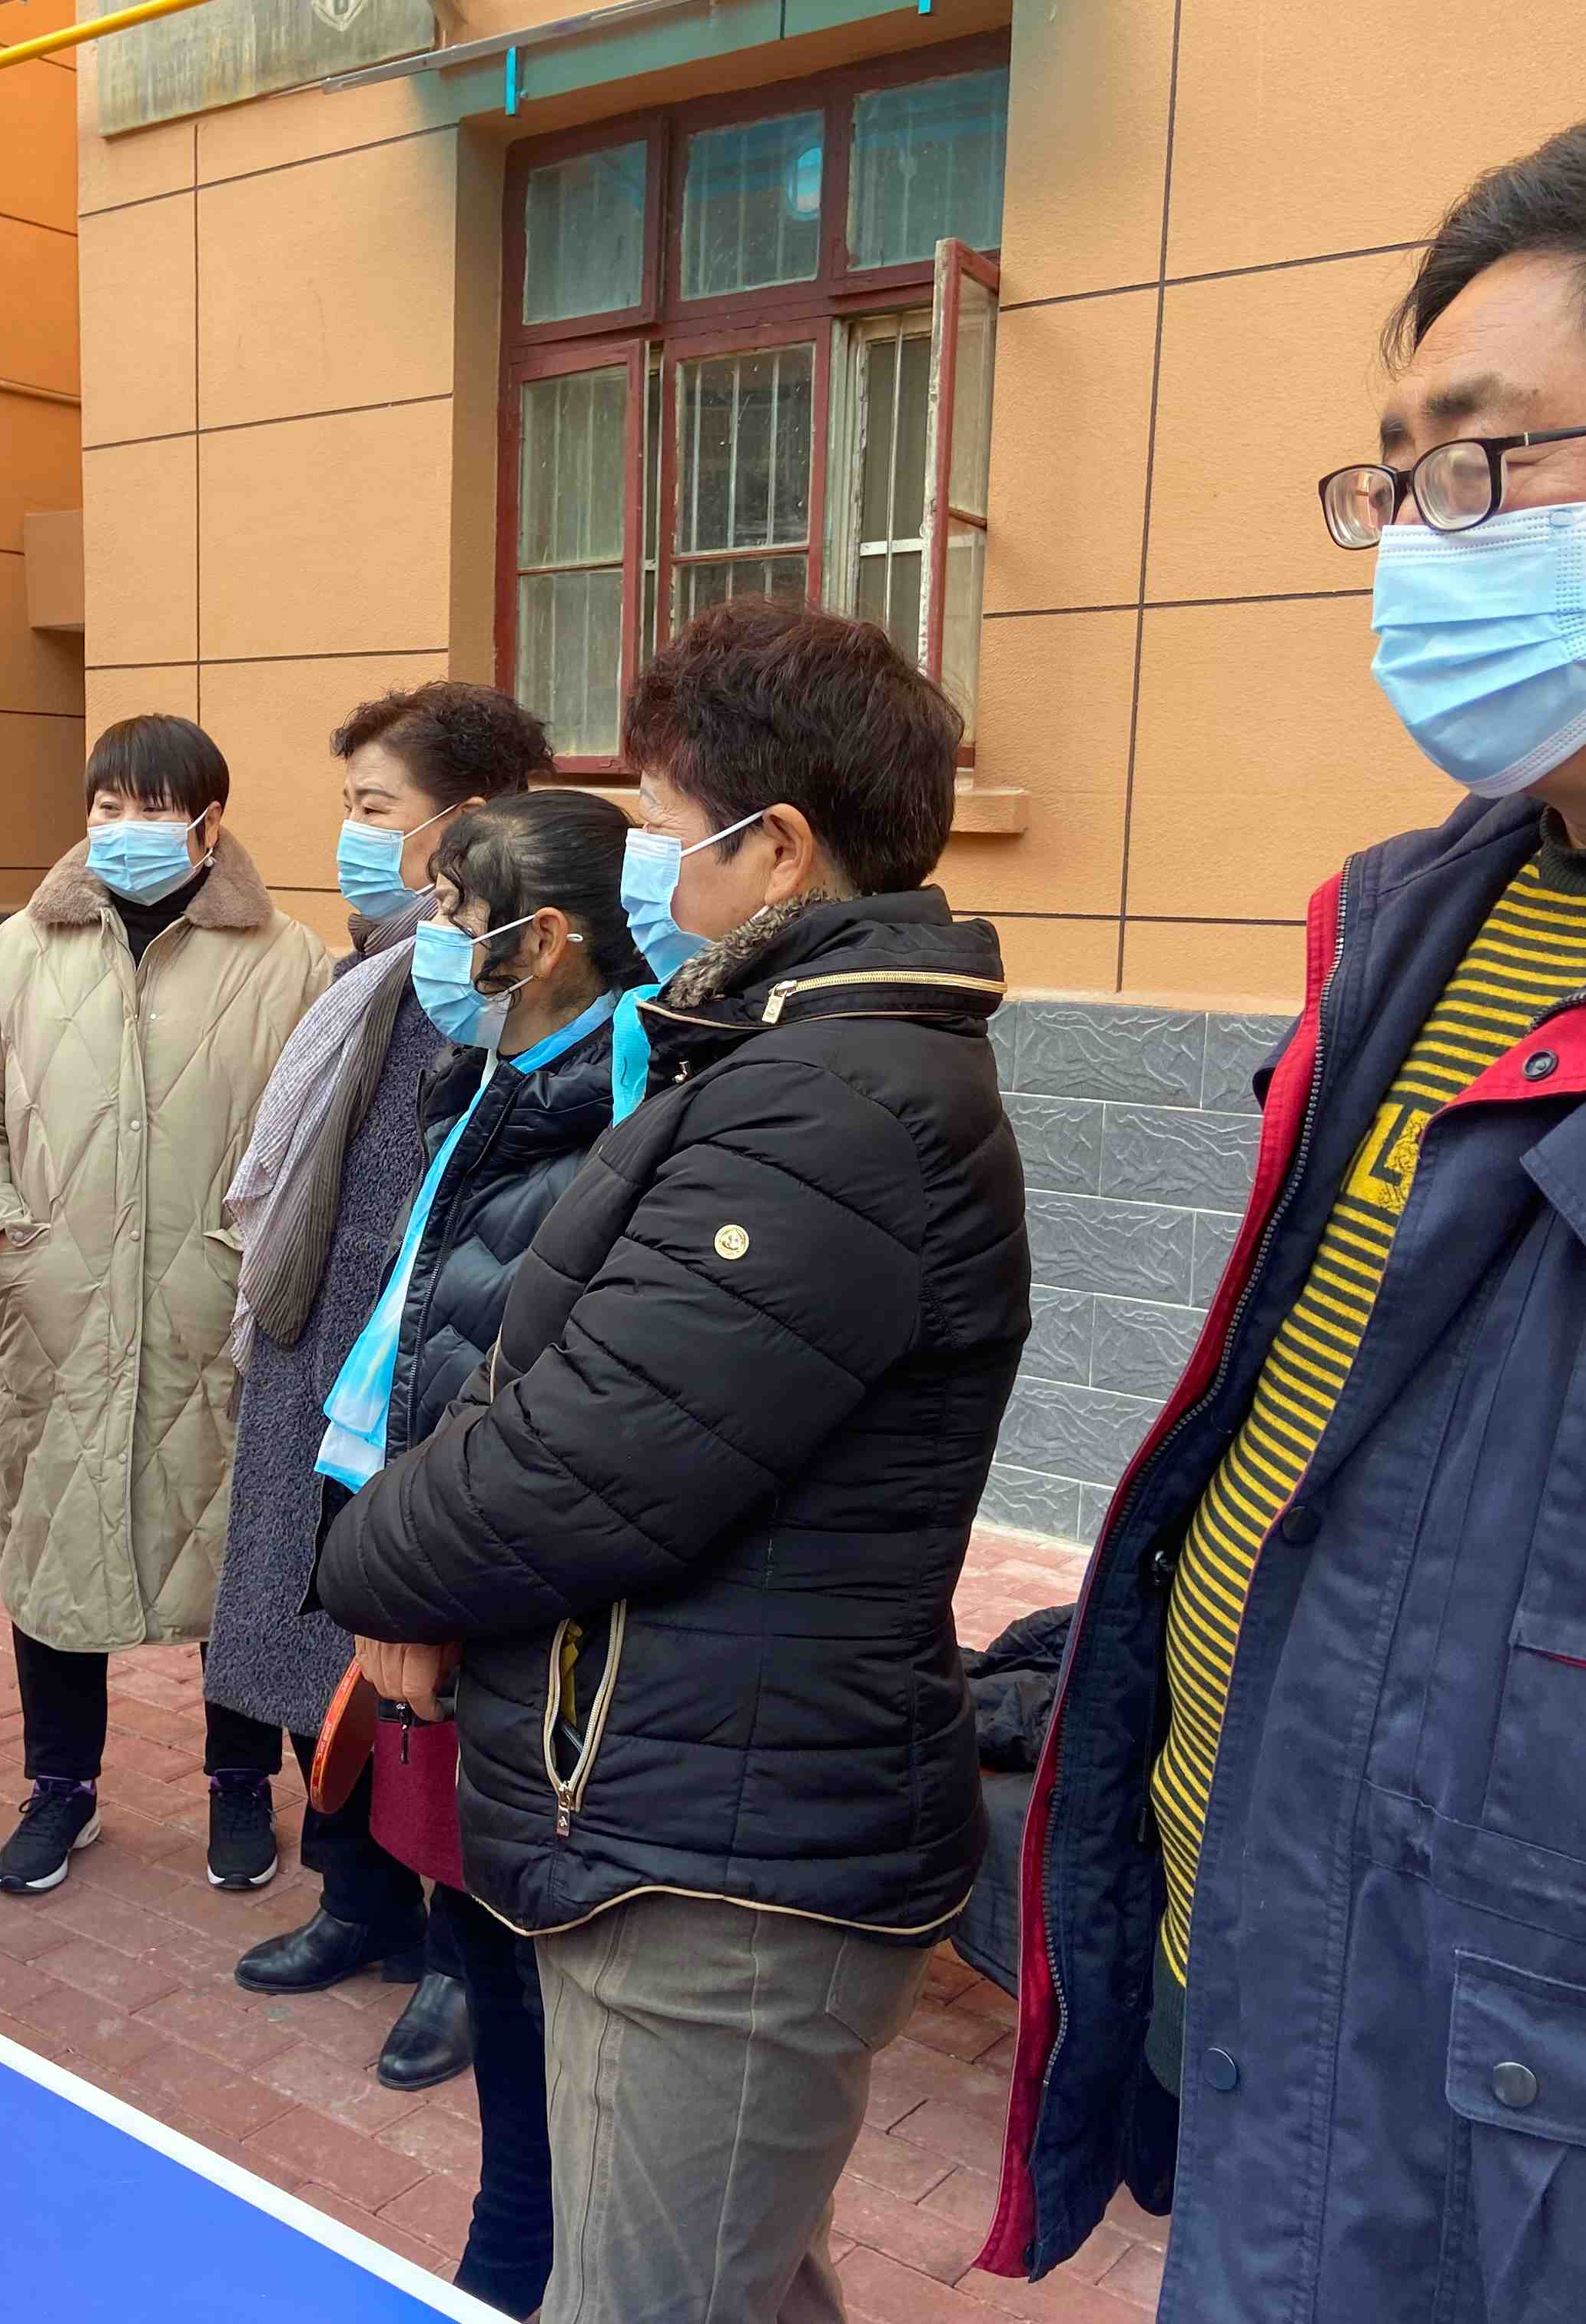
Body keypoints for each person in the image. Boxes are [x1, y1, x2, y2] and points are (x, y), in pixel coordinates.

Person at [980, 98, 1586, 2324]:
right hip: (1314, 2105)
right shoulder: (1424, 916)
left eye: (1480, 468)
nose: (1414, 546)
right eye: (1395, 481)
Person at [318, 600, 1030, 2324]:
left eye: (658, 817)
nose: (642, 854)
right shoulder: (790, 1059)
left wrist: (362, 1556)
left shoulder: (831, 1105)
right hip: (695, 1796)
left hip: (729, 1862)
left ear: (774, 846)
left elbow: (590, 1452)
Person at [332, 786, 654, 2317]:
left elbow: (532, 1396)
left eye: (457, 915)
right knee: (481, 1928)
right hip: (439, 1579)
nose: (431, 941)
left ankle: (523, 2255)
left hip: (498, 1611)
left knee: (530, 1964)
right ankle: (515, 2241)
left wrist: (423, 1579)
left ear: (544, 940)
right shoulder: (498, 1078)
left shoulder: (612, 1106)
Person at [0, 715, 325, 1897]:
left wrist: (254, 1260)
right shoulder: (22, 949)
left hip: (220, 1317)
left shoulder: (290, 960)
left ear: (209, 822)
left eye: (153, 808)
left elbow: (316, 1139)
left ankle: (239, 1785)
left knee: (233, 1558)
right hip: (62, 1315)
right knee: (55, 1542)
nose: (125, 828)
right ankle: (61, 1787)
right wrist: (6, 1236)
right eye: (108, 806)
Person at [209, 682, 546, 2087]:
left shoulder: (522, 987)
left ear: (462, 824)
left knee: (437, 1679)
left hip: (442, 1380)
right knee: (315, 1643)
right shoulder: (378, 974)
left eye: (373, 808)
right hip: (323, 1362)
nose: (350, 834)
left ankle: (464, 1957)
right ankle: (356, 1900)